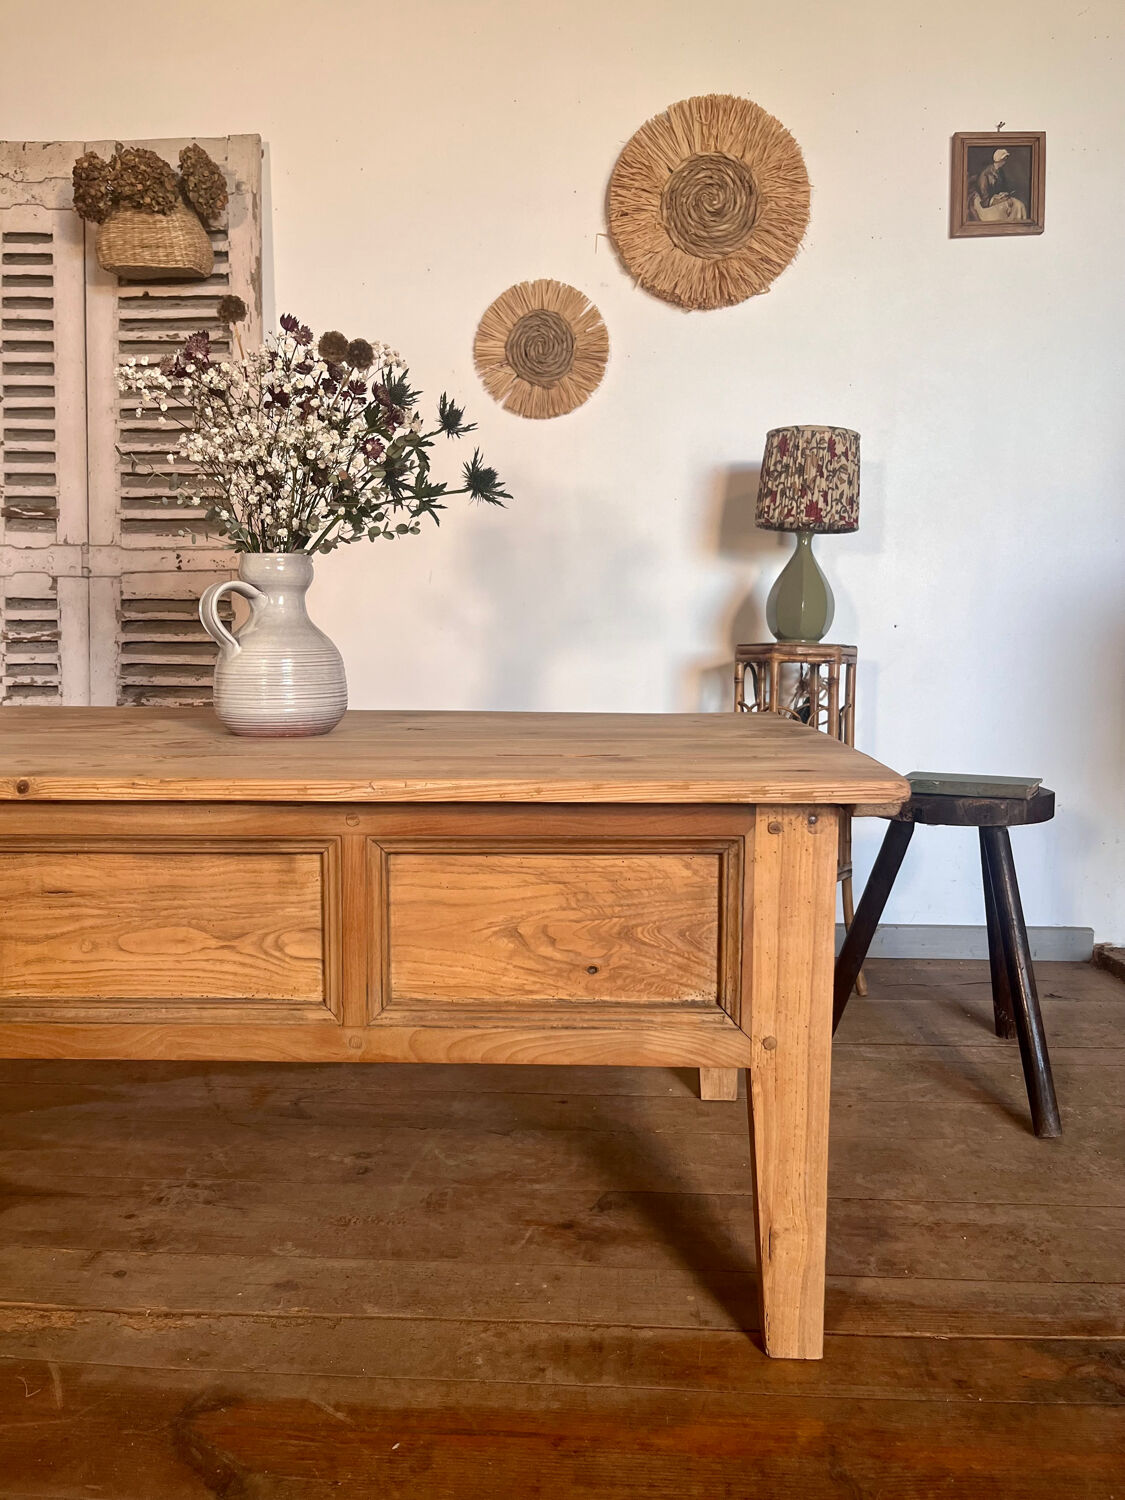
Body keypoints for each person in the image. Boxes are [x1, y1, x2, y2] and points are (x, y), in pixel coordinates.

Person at [969, 148, 1028, 223]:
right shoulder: (985, 175)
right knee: (1003, 212)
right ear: (999, 160)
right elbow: (984, 200)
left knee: (1019, 205)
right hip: (987, 203)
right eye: (1004, 160)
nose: (1005, 162)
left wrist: (1005, 194)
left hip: (999, 198)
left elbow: (1003, 187)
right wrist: (1003, 200)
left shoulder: (1000, 171)